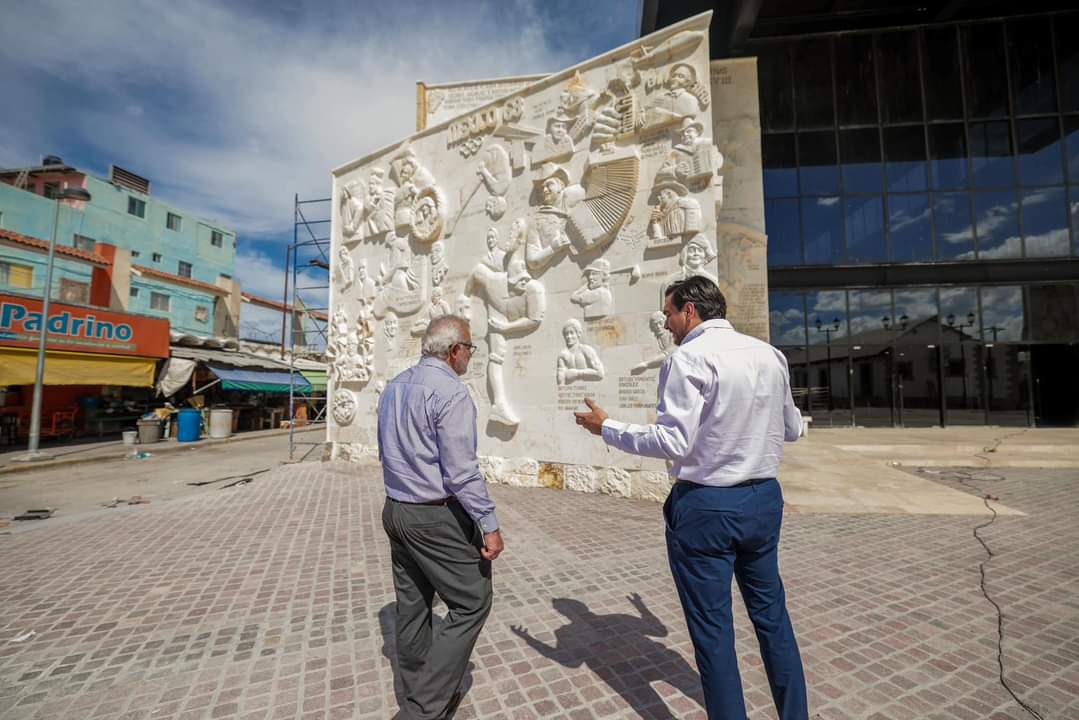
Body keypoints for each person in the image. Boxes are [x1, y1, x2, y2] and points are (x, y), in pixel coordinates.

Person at [573, 276, 808, 720]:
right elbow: (792, 429)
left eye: (668, 314)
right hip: (762, 499)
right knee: (773, 619)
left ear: (690, 311)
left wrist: (607, 427)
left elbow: (672, 442)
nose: (666, 324)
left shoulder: (688, 358)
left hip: (706, 506)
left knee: (714, 634)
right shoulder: (770, 354)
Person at [378, 315, 504, 720]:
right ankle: (423, 708)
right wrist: (489, 524)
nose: (470, 355)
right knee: (472, 601)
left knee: (413, 605)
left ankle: (421, 690)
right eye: (469, 348)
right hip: (434, 515)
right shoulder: (451, 393)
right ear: (454, 351)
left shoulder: (395, 387)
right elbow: (462, 472)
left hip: (396, 509)